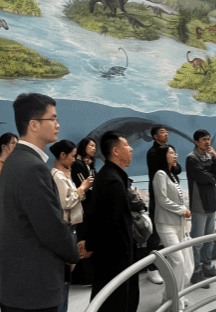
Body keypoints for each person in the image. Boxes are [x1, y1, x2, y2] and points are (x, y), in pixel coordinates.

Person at [0, 93, 80, 312]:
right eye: (53, 118)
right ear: (34, 124)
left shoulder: (15, 160)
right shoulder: (33, 167)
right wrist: (73, 253)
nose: (57, 124)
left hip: (17, 281)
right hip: (34, 284)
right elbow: (50, 226)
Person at [85, 131, 138, 312]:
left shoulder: (110, 175)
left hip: (112, 256)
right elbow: (110, 224)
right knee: (116, 301)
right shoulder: (112, 181)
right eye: (126, 145)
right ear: (115, 151)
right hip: (115, 258)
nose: (131, 149)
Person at [49, 139, 94, 312]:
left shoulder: (64, 174)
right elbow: (66, 202)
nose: (74, 160)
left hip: (71, 227)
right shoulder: (57, 176)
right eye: (72, 156)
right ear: (62, 155)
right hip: (66, 228)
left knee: (67, 275)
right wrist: (83, 188)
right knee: (64, 276)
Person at [152, 145, 192, 311]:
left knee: (178, 264)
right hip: (165, 225)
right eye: (171, 152)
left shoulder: (172, 175)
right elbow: (162, 199)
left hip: (177, 224)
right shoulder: (160, 174)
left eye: (175, 152)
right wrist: (181, 210)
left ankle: (168, 297)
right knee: (178, 261)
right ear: (163, 156)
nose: (175, 155)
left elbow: (176, 198)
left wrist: (183, 210)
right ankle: (177, 301)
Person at [186, 129, 216, 288]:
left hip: (211, 203)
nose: (207, 142)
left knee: (209, 238)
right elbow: (203, 177)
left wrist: (215, 156)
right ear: (196, 142)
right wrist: (213, 178)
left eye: (208, 139)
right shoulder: (191, 158)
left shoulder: (209, 156)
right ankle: (196, 271)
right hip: (199, 204)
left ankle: (207, 266)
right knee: (198, 241)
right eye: (204, 139)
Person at [145, 125, 182, 285]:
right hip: (158, 196)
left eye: (166, 132)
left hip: (173, 194)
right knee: (155, 232)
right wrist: (170, 166)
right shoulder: (152, 152)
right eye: (162, 132)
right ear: (154, 136)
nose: (166, 134)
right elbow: (162, 170)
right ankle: (151, 268)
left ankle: (171, 265)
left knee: (173, 232)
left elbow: (177, 168)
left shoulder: (169, 149)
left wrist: (171, 164)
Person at [70, 137, 98, 285]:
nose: (94, 148)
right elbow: (86, 186)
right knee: (84, 241)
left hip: (90, 208)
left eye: (95, 146)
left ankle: (87, 275)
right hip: (83, 209)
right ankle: (84, 277)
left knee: (89, 240)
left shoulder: (90, 165)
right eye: (91, 145)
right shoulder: (78, 164)